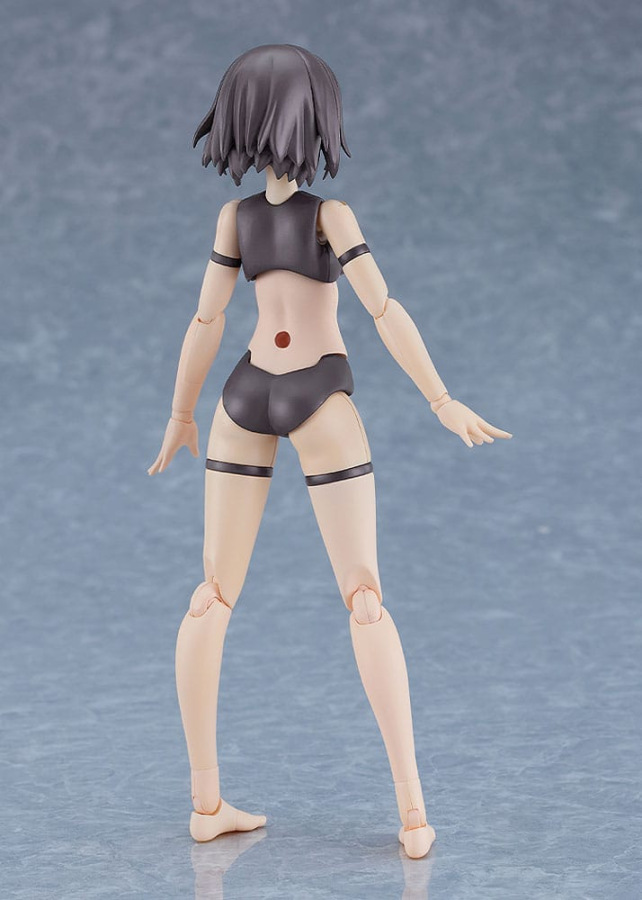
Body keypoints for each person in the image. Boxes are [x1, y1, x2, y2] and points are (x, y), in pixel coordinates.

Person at [148, 44, 511, 859]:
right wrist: (441, 399)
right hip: (317, 394)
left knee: (211, 595)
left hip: (244, 393)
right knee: (364, 599)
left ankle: (206, 804)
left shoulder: (235, 219)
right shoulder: (328, 217)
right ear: (316, 118)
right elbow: (384, 310)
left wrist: (181, 411)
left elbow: (207, 321)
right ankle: (413, 816)